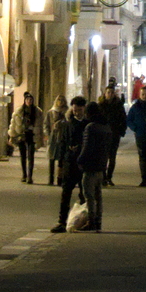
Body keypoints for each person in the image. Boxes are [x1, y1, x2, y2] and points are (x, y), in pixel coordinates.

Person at [51, 97, 90, 231]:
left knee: (84, 194)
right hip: (69, 162)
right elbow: (62, 143)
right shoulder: (67, 124)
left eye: (79, 109)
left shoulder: (87, 125)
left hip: (83, 164)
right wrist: (60, 165)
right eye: (74, 109)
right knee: (65, 193)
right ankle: (62, 221)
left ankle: (85, 221)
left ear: (84, 109)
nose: (76, 112)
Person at [77, 103, 110, 231]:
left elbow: (87, 147)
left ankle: (91, 221)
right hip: (101, 165)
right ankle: (98, 221)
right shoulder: (106, 127)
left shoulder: (90, 127)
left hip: (90, 165)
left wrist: (80, 160)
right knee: (98, 195)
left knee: (89, 195)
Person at [8, 91, 45, 184]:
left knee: (31, 156)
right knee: (23, 156)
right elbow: (13, 124)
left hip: (32, 135)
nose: (29, 101)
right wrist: (12, 136)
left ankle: (30, 176)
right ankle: (24, 174)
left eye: (31, 100)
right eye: (27, 99)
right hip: (22, 135)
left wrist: (40, 136)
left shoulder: (37, 112)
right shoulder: (19, 111)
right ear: (25, 100)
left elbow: (40, 126)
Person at [100, 82, 128, 184]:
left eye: (112, 92)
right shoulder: (101, 106)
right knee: (103, 157)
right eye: (108, 92)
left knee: (112, 157)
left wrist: (121, 131)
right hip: (103, 135)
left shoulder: (118, 105)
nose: (110, 94)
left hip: (114, 134)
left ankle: (109, 177)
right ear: (105, 93)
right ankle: (103, 177)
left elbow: (123, 118)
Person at [46, 94, 69, 186]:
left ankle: (60, 178)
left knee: (61, 159)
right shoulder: (51, 112)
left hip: (63, 137)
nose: (60, 102)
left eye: (62, 100)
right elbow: (46, 124)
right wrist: (48, 134)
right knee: (51, 158)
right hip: (53, 137)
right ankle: (50, 178)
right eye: (59, 100)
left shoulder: (67, 112)